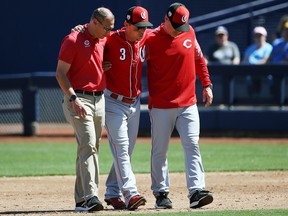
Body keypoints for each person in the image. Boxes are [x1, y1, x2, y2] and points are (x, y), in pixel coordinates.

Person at [71, 6, 153, 210]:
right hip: (113, 102)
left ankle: (112, 191)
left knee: (126, 150)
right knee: (122, 148)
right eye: (138, 27)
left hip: (134, 102)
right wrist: (81, 28)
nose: (142, 31)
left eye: (145, 27)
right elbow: (90, 37)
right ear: (126, 25)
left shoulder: (145, 37)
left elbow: (164, 31)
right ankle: (131, 193)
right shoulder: (110, 38)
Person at [145, 2, 214, 209]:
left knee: (192, 144)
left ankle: (196, 191)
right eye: (175, 25)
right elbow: (126, 41)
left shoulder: (189, 31)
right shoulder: (150, 38)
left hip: (188, 102)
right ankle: (161, 193)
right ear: (166, 19)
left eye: (182, 26)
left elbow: (199, 59)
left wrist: (207, 84)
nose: (179, 29)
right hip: (161, 105)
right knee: (160, 150)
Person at [55, 7, 115, 212]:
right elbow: (60, 74)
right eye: (106, 27)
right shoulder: (72, 39)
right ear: (95, 23)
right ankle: (90, 196)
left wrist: (101, 66)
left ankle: (81, 201)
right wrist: (73, 98)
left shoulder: (103, 38)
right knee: (88, 144)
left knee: (90, 147)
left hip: (100, 99)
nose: (109, 31)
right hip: (78, 99)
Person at [242, 26, 273, 94]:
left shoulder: (269, 47)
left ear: (265, 36)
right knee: (248, 78)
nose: (258, 38)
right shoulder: (250, 48)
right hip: (250, 71)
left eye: (260, 36)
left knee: (270, 78)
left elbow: (265, 60)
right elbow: (244, 61)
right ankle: (249, 99)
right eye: (256, 36)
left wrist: (253, 65)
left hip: (265, 71)